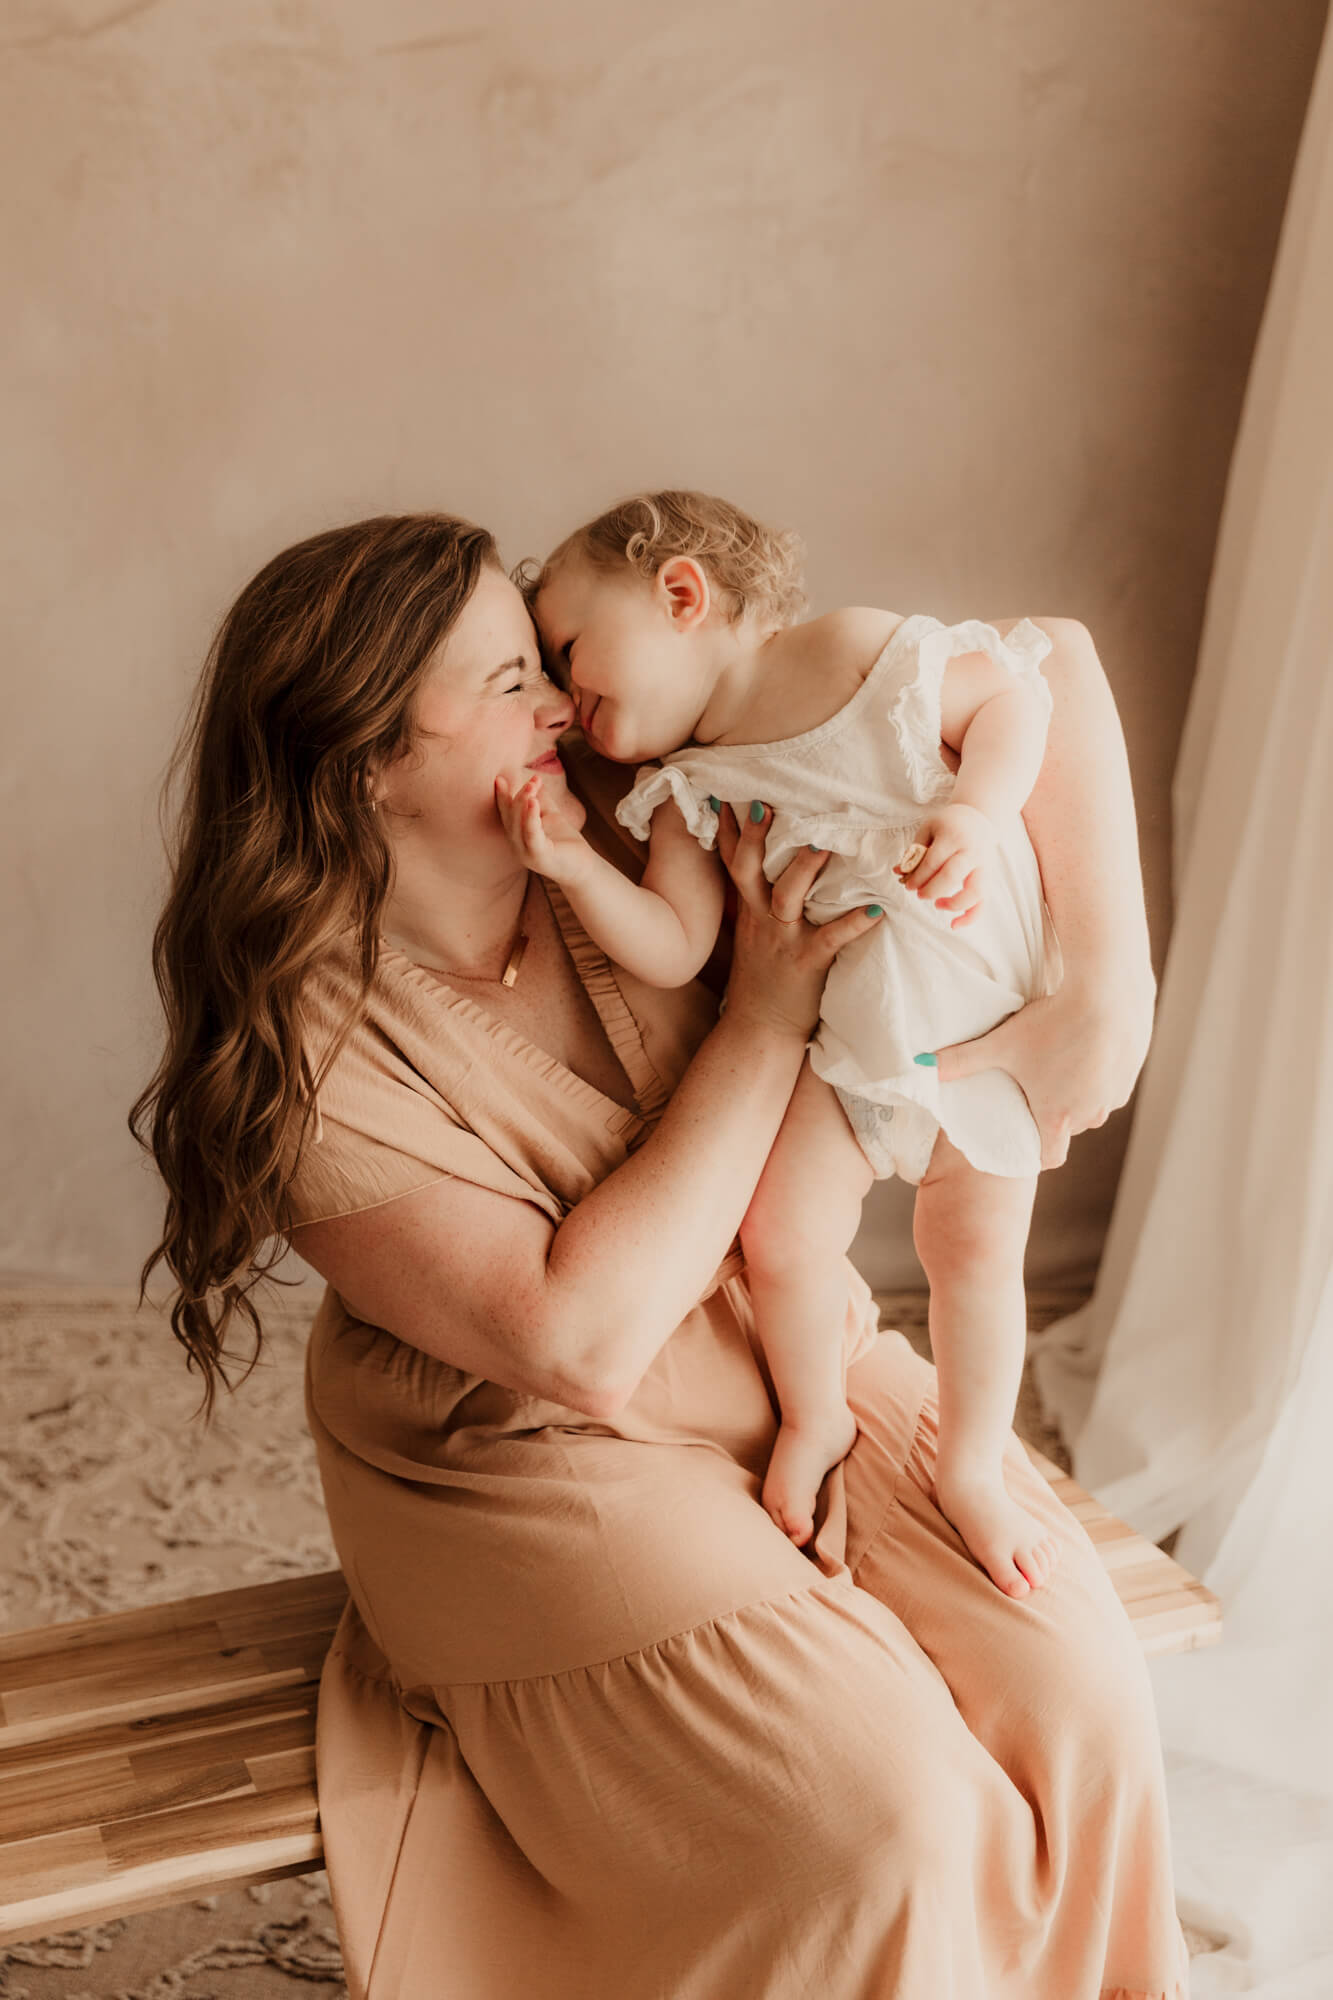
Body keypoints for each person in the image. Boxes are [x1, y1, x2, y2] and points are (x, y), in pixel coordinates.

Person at [132, 512, 1189, 1999]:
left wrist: (1108, 983)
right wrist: (760, 1021)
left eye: (542, 664)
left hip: (779, 1336)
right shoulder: (302, 1053)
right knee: (889, 1818)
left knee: (1081, 1699)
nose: (559, 703)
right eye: (508, 682)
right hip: (532, 1457)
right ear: (366, 761)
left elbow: (1040, 668)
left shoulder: (631, 811)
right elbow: (577, 1340)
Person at [521, 489, 1067, 1575]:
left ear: (681, 592)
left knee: (974, 1253)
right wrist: (577, 865)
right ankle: (814, 1416)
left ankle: (970, 1465)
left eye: (568, 648)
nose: (556, 689)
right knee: (780, 1236)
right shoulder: (683, 789)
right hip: (851, 1047)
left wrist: (977, 810)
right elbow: (677, 945)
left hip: (982, 1028)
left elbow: (1012, 702)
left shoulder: (858, 653)